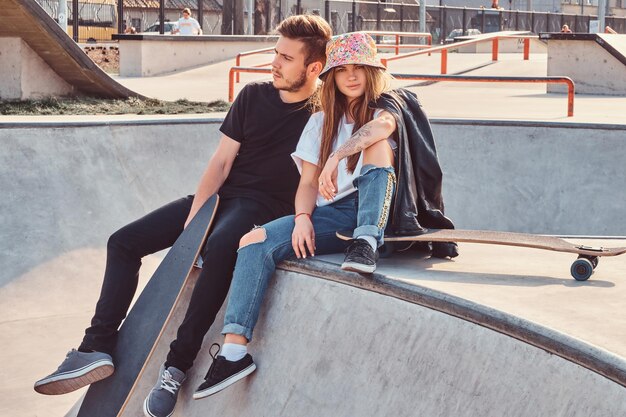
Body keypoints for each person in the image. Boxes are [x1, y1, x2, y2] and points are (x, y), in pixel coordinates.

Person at [33, 14, 331, 416]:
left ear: (314, 67)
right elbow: (221, 162)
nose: (274, 63)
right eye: (275, 53)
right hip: (222, 197)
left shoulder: (325, 112)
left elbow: (379, 108)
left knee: (225, 244)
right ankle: (97, 346)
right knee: (123, 242)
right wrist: (195, 220)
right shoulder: (253, 95)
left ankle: (177, 366)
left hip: (264, 206)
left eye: (286, 58)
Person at [189, 32, 459, 399]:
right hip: (330, 215)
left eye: (359, 69)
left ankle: (366, 241)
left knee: (376, 146)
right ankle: (234, 352)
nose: (351, 77)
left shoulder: (389, 107)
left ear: (371, 72)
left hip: (377, 210)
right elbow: (306, 185)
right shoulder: (319, 122)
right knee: (252, 241)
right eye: (342, 70)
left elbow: (381, 130)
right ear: (330, 76)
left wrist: (338, 154)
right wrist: (302, 217)